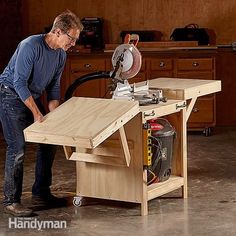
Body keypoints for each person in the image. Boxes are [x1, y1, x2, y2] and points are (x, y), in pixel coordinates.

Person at [0, 10, 83, 217]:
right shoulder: (30, 46)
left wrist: (55, 117)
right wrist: (37, 113)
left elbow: (54, 89)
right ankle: (11, 201)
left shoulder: (61, 54)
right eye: (71, 39)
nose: (73, 44)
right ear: (57, 31)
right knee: (17, 147)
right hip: (11, 95)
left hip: (31, 94)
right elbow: (19, 83)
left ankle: (41, 193)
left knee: (49, 141)